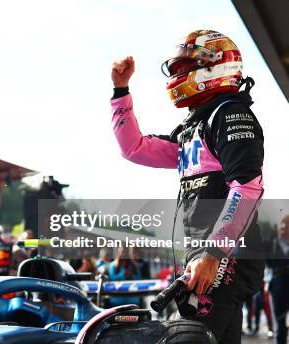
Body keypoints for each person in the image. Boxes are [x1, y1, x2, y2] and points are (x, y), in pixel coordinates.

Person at [111, 30, 264, 342]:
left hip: (223, 256)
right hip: (206, 256)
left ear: (214, 67)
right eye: (177, 68)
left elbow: (247, 188)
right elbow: (135, 148)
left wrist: (213, 253)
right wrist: (120, 91)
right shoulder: (192, 129)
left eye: (185, 68)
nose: (178, 75)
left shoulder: (231, 113)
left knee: (182, 336)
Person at [266, 214, 289, 344]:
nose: (284, 228)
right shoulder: (270, 244)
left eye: (288, 225)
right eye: (282, 225)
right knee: (280, 325)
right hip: (277, 288)